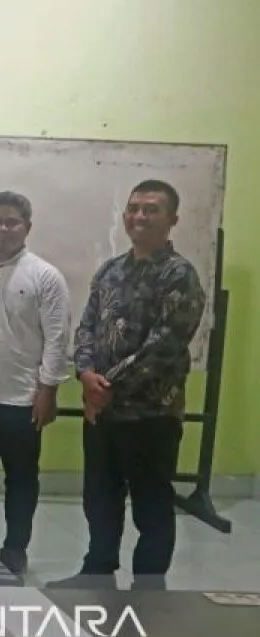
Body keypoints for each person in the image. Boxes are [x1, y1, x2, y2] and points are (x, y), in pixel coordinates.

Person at [51, 179, 205, 591]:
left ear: (172, 219)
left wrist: (105, 389)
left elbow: (164, 346)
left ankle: (149, 589)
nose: (140, 216)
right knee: (100, 498)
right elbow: (87, 327)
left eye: (152, 209)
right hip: (102, 412)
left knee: (151, 505)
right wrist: (85, 375)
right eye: (134, 208)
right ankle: (97, 572)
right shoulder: (111, 270)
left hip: (151, 414)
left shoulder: (179, 275)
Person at [0, 192, 71, 575]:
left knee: (21, 479)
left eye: (12, 222)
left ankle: (16, 547)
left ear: (27, 227)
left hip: (21, 398)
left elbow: (57, 339)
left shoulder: (46, 277)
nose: (4, 228)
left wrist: (48, 391)